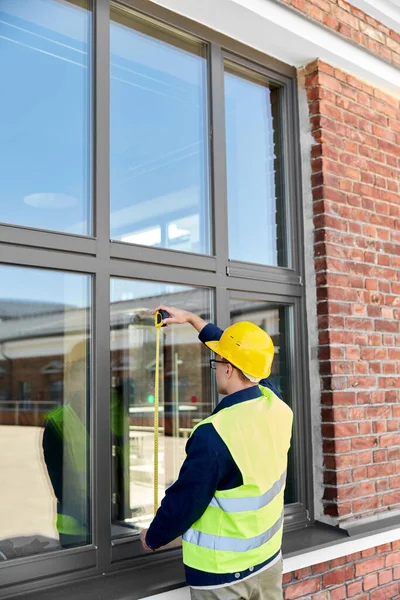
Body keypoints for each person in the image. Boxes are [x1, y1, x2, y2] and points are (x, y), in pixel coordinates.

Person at [140, 307, 293, 600]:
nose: (216, 368)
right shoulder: (278, 406)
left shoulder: (214, 434)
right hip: (269, 559)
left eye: (217, 361)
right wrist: (194, 321)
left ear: (228, 368)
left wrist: (153, 537)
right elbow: (246, 355)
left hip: (224, 576)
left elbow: (187, 501)